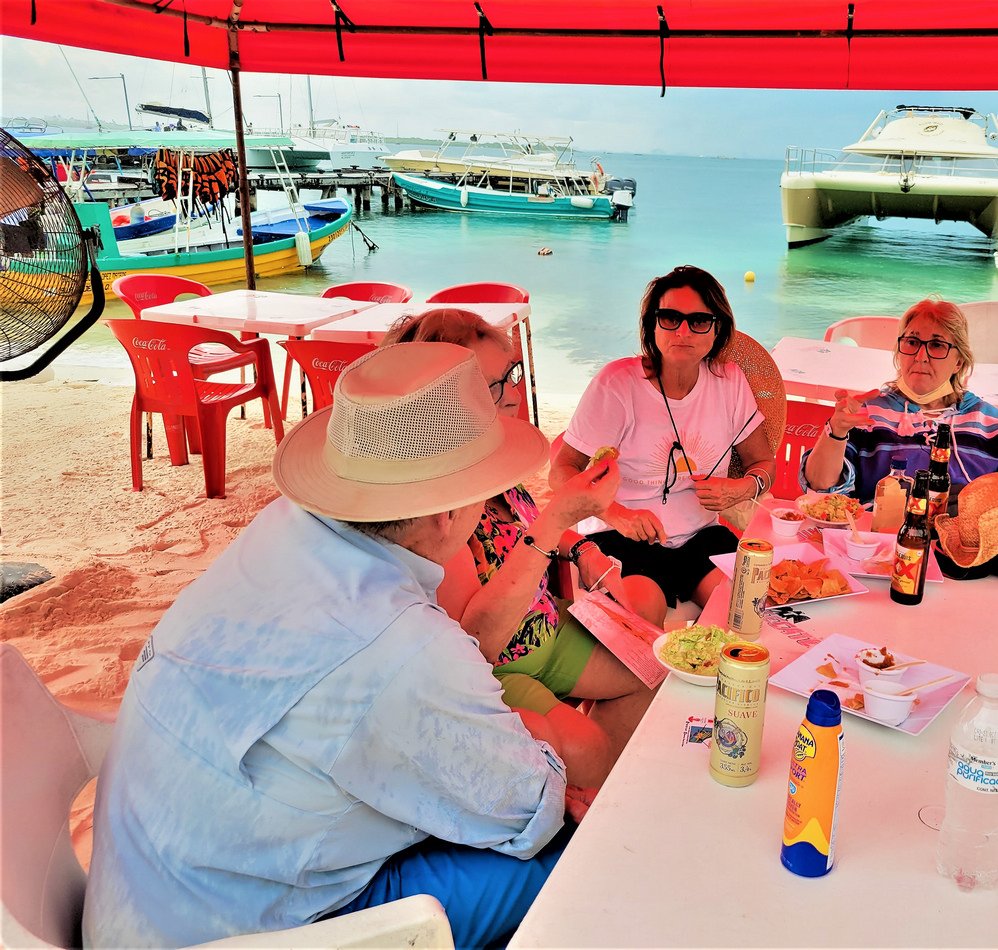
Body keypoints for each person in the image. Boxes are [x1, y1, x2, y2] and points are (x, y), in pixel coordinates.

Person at [84, 344, 606, 950]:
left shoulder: (281, 530)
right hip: (245, 929)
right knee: (576, 852)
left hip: (147, 896)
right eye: (485, 490)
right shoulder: (402, 640)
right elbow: (529, 814)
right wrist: (534, 749)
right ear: (447, 515)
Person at [381, 307, 664, 771]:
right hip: (500, 665)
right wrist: (559, 520)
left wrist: (582, 546)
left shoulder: (490, 463)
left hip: (546, 630)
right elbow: (476, 644)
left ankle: (595, 766)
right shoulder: (436, 511)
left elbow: (525, 527)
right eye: (495, 384)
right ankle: (585, 766)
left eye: (512, 374)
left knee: (653, 647)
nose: (515, 392)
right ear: (440, 399)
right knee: (586, 748)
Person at [551, 265, 776, 609]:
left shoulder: (730, 382)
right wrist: (615, 514)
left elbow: (762, 463)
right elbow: (562, 471)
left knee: (745, 613)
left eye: (699, 320)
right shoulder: (618, 384)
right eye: (670, 317)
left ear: (717, 329)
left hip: (703, 536)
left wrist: (744, 488)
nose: (683, 331)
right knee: (643, 627)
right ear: (652, 325)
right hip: (621, 536)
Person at [801, 297, 998, 510]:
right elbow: (820, 488)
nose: (921, 356)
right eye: (912, 342)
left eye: (936, 345)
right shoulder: (867, 414)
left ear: (959, 361)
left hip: (963, 551)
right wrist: (835, 431)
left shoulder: (989, 422)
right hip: (878, 543)